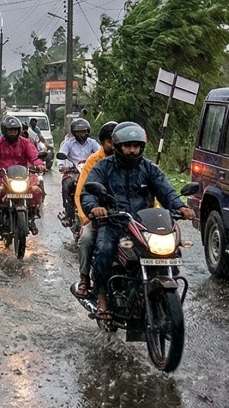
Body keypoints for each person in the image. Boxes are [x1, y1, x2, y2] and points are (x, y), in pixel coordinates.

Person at [75, 122, 194, 317]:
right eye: (127, 146)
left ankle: (160, 292)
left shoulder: (149, 168)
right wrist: (94, 207)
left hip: (143, 224)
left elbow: (165, 189)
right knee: (104, 249)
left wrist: (179, 206)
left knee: (171, 251)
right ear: (117, 146)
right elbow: (89, 191)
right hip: (114, 222)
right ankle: (102, 294)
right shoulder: (103, 167)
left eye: (136, 146)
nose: (132, 150)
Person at [0, 116, 44, 232]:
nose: (13, 133)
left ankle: (32, 218)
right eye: (10, 130)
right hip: (2, 174)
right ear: (4, 131)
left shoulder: (25, 143)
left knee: (37, 191)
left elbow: (34, 156)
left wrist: (39, 165)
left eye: (15, 130)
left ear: (19, 131)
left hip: (23, 175)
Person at [70, 121, 118, 230]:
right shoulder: (94, 161)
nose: (115, 147)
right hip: (100, 217)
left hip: (130, 217)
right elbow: (82, 193)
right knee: (86, 240)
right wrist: (87, 218)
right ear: (102, 142)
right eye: (111, 143)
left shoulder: (137, 163)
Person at [56, 118, 97, 225]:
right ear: (74, 132)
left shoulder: (92, 143)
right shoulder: (68, 143)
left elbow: (100, 153)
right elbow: (61, 155)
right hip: (72, 172)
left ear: (88, 132)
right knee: (67, 184)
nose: (81, 134)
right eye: (78, 132)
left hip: (88, 172)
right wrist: (61, 165)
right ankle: (68, 213)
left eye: (84, 131)